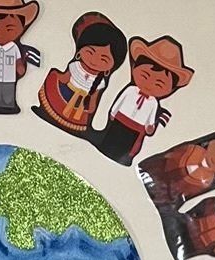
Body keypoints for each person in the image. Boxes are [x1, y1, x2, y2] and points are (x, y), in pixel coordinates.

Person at [90, 35, 193, 165]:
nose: (149, 84)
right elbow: (120, 102)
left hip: (137, 127)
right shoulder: (131, 90)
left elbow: (150, 117)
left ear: (170, 89)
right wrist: (113, 114)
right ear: (134, 69)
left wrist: (150, 126)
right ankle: (106, 147)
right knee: (113, 136)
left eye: (159, 84)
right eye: (145, 76)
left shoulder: (153, 103)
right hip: (121, 118)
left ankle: (124, 157)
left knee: (129, 144)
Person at [34, 11, 126, 138]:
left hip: (82, 103)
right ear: (79, 51)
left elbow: (94, 97)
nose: (94, 60)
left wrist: (91, 107)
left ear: (110, 67)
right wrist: (55, 76)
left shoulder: (100, 82)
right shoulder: (75, 67)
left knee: (78, 117)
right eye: (90, 52)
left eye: (103, 59)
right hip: (65, 94)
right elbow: (64, 77)